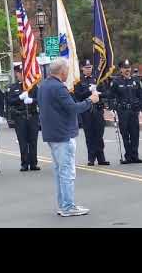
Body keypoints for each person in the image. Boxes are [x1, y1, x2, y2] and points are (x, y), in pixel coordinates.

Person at [38, 58, 99, 217]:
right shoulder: (58, 87)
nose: (68, 73)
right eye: (67, 70)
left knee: (60, 172)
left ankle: (63, 204)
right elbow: (73, 108)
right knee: (67, 172)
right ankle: (67, 206)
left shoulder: (44, 85)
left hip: (53, 134)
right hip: (62, 134)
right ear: (62, 71)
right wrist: (90, 101)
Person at [73, 59, 110, 166]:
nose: (89, 69)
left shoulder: (97, 79)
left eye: (90, 67)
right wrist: (89, 91)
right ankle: (91, 158)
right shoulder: (78, 80)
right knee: (89, 135)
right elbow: (78, 96)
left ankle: (101, 158)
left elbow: (106, 93)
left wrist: (99, 93)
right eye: (86, 67)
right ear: (82, 68)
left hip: (98, 109)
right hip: (87, 111)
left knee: (99, 134)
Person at [6, 64, 41, 172]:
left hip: (32, 115)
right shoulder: (12, 87)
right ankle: (24, 163)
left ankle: (33, 163)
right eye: (21, 73)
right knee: (23, 141)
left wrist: (32, 100)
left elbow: (40, 99)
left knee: (33, 140)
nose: (23, 75)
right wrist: (19, 98)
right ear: (17, 74)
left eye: (25, 73)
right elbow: (9, 101)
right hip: (20, 116)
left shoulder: (33, 86)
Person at [109, 59, 142, 164]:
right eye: (125, 68)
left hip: (134, 110)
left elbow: (141, 96)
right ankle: (128, 156)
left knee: (135, 134)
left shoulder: (136, 80)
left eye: (128, 68)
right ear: (120, 69)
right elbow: (111, 97)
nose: (127, 70)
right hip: (122, 111)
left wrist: (140, 108)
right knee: (125, 133)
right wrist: (112, 109)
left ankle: (135, 155)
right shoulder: (116, 81)